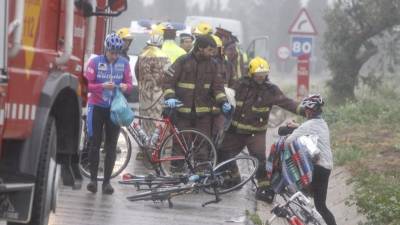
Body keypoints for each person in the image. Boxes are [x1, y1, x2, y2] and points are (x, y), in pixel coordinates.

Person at [217, 56, 303, 193]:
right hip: (235, 131)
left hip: (256, 133)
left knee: (260, 160)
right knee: (223, 153)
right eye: (258, 75)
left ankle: (264, 188)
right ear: (251, 73)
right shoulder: (240, 85)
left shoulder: (271, 90)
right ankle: (234, 178)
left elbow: (287, 102)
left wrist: (304, 110)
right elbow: (227, 96)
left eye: (263, 75)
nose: (261, 78)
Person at [163, 34, 230, 162]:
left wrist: (223, 102)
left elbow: (218, 88)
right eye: (210, 50)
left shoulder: (214, 65)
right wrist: (170, 97)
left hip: (203, 114)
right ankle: (177, 173)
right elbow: (168, 82)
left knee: (203, 145)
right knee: (180, 145)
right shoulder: (182, 61)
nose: (212, 54)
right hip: (182, 112)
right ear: (200, 48)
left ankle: (201, 173)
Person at [85, 32, 133, 194]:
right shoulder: (95, 62)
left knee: (111, 145)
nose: (114, 56)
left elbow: (129, 84)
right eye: (112, 52)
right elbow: (87, 85)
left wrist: (126, 87)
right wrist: (102, 86)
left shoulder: (124, 63)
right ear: (106, 49)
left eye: (117, 53)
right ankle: (92, 180)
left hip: (114, 109)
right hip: (97, 106)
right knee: (95, 143)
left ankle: (107, 182)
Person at [284, 94, 337, 225]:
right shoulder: (322, 123)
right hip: (326, 167)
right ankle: (307, 210)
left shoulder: (309, 125)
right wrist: (297, 126)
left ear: (310, 110)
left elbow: (289, 141)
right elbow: (308, 128)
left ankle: (303, 212)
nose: (305, 111)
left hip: (318, 167)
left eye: (306, 109)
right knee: (321, 205)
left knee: (294, 184)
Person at [134, 31, 169, 138]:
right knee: (157, 125)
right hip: (158, 98)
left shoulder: (141, 56)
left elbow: (136, 72)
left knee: (145, 124)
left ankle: (145, 148)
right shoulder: (165, 58)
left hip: (144, 98)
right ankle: (155, 149)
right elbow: (169, 76)